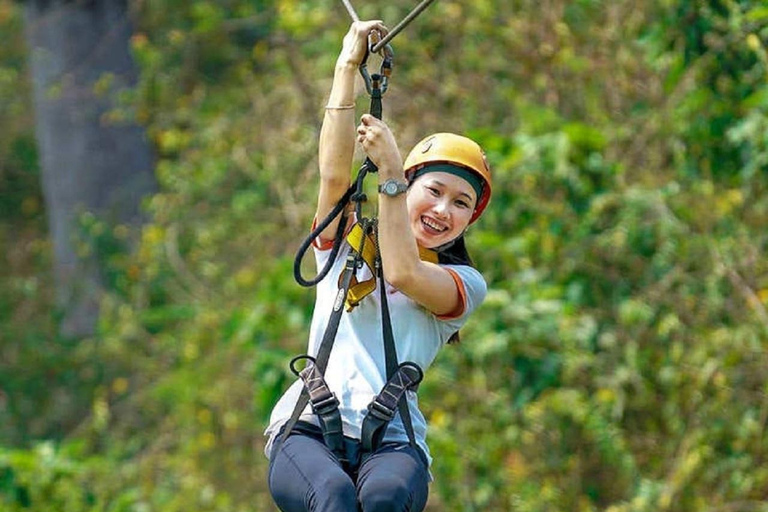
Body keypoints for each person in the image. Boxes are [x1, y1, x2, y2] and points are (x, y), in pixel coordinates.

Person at [264, 20, 491, 512]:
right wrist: (346, 67)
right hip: (307, 432)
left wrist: (391, 174)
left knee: (385, 498)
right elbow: (333, 173)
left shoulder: (464, 284)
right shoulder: (345, 244)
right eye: (433, 191)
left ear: (469, 220)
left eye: (460, 204)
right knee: (333, 495)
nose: (442, 211)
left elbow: (404, 273)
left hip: (393, 440)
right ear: (413, 189)